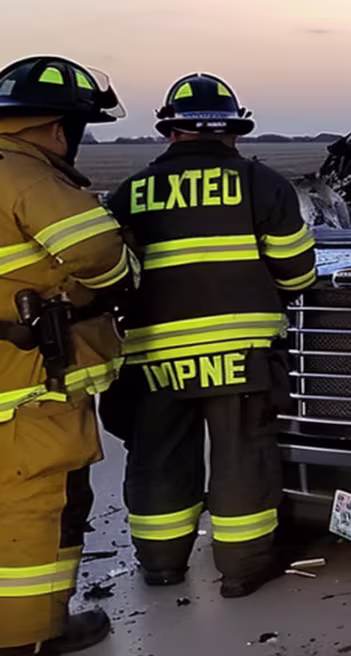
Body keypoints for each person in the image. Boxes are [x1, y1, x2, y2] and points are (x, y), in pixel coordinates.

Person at [105, 74, 315, 599]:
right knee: (242, 457)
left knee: (158, 456)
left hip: (155, 358)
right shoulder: (262, 185)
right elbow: (296, 274)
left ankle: (161, 565)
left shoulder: (129, 193)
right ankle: (242, 569)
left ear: (170, 131)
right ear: (234, 131)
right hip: (241, 356)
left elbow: (113, 278)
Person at [0, 56, 135, 656]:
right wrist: (126, 272)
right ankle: (26, 637)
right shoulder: (26, 177)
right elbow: (98, 251)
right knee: (40, 507)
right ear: (55, 127)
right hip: (29, 385)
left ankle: (36, 623)